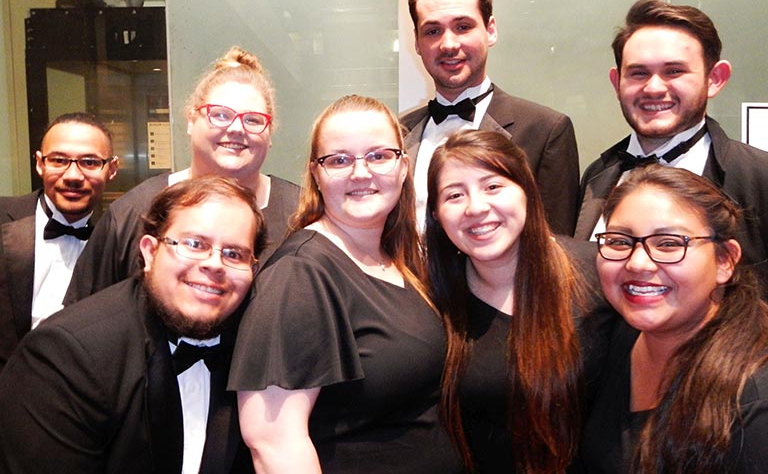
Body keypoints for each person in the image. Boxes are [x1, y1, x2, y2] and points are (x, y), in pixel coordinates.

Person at [229, 95, 462, 473]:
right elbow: (273, 442)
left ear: (404, 167)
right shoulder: (301, 273)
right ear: (316, 175)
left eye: (378, 155)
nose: (360, 173)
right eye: (338, 160)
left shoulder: (398, 260)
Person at [0, 176, 264, 473]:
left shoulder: (257, 347)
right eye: (194, 244)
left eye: (234, 254)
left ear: (252, 269)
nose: (215, 264)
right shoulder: (64, 357)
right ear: (150, 252)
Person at [425, 130, 612, 473]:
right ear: (436, 214)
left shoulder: (599, 274)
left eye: (493, 186)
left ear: (527, 190)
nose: (476, 207)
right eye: (454, 195)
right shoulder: (431, 300)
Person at [62, 46, 300, 305]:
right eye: (219, 115)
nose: (236, 128)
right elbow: (83, 319)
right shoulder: (133, 213)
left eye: (253, 120)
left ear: (270, 132)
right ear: (190, 120)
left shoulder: (299, 215)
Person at [577, 164, 768, 473]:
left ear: (725, 260)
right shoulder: (617, 335)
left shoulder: (754, 401)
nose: (638, 263)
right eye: (620, 242)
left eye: (668, 244)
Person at [575, 0, 768, 291]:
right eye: (638, 73)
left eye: (674, 71)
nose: (654, 88)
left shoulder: (759, 177)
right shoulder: (597, 175)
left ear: (715, 79)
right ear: (617, 83)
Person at [401, 0, 580, 235]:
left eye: (463, 27)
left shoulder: (545, 130)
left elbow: (557, 248)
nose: (448, 44)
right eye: (433, 31)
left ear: (490, 30)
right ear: (417, 42)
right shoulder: (399, 134)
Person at [0, 112, 118, 368]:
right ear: (40, 163)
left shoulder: (118, 246)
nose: (73, 175)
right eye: (59, 160)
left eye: (89, 162)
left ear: (112, 169)